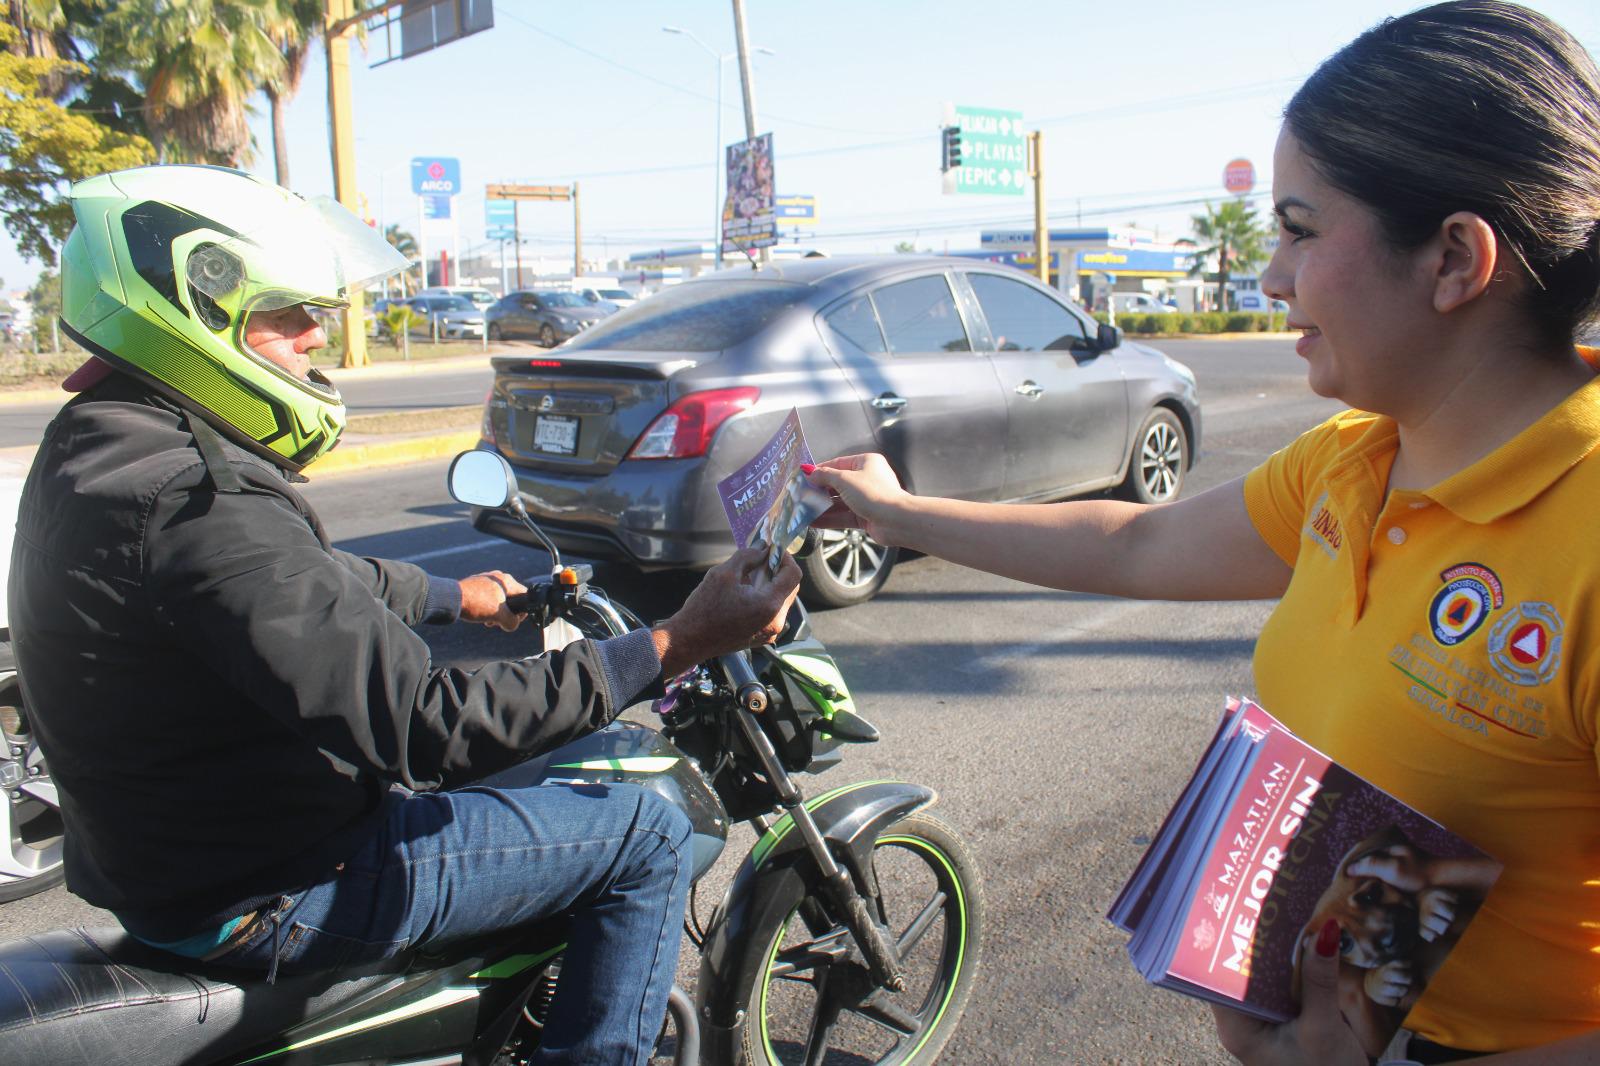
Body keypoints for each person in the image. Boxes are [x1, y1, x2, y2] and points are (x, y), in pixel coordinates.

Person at [805, 3, 1600, 1062]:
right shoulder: (1352, 458)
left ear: (1454, 257)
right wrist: (897, 511)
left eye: (1301, 229)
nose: (1270, 274)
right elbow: (1132, 544)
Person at [11, 164, 800, 1066]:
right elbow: (426, 728)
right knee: (645, 833)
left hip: (171, 858)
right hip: (271, 890)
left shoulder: (105, 441)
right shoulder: (205, 499)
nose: (318, 334)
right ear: (194, 312)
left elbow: (290, 583)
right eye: (285, 311)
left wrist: (445, 593)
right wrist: (674, 641)